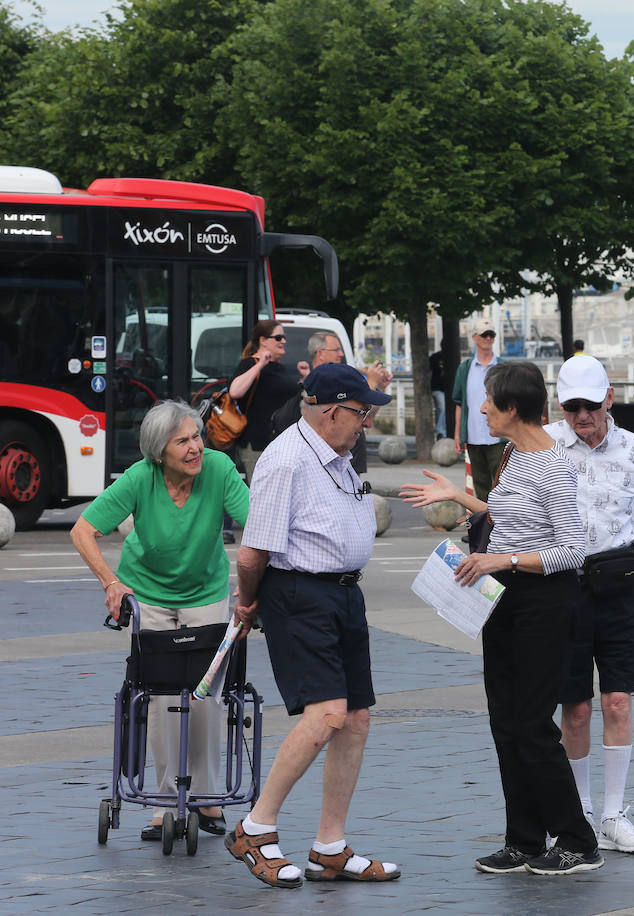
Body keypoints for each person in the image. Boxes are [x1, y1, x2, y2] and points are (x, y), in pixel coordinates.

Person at [400, 361, 602, 876]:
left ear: (513, 408)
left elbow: (573, 550)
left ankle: (578, 839)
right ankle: (525, 839)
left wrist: (501, 560)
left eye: (489, 401)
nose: (482, 408)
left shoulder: (553, 465)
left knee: (532, 725)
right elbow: (506, 516)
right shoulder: (511, 453)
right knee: (504, 722)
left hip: (544, 602)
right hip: (504, 599)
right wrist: (457, 496)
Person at [225, 363, 400, 889]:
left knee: (357, 717)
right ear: (330, 410)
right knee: (326, 714)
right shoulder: (286, 460)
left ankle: (330, 845)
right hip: (299, 592)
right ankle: (256, 827)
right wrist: (249, 602)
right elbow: (253, 552)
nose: (366, 421)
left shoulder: (339, 457)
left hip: (344, 592)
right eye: (360, 411)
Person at [70, 400, 248, 842]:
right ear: (158, 452)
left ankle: (204, 797)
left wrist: (252, 584)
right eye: (183, 441)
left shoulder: (220, 469)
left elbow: (257, 527)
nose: (195, 448)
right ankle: (168, 799)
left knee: (205, 696)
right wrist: (111, 583)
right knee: (162, 697)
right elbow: (82, 530)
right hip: (147, 594)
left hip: (206, 593)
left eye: (197, 437)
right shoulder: (139, 478)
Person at [545, 355, 634, 856]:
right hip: (564, 584)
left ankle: (613, 814)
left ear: (609, 400)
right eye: (572, 406)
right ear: (562, 406)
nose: (582, 416)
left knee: (618, 701)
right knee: (574, 707)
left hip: (620, 582)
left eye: (590, 405)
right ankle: (576, 815)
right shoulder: (547, 447)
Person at [272, 331, 391, 473]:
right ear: (320, 353)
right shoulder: (313, 394)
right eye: (336, 350)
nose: (341, 354)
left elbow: (368, 416)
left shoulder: (341, 380)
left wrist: (378, 387)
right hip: (329, 465)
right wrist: (371, 383)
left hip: (346, 462)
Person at [229, 320, 300, 482]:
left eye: (284, 337)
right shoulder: (250, 363)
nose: (284, 341)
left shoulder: (279, 368)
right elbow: (234, 391)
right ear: (263, 341)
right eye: (278, 337)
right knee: (261, 494)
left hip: (281, 443)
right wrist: (260, 364)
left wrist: (304, 378)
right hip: (257, 445)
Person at [452, 319, 503, 500]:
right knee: (480, 485)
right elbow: (459, 403)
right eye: (484, 335)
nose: (488, 338)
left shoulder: (502, 367)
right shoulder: (464, 368)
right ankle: (485, 525)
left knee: (502, 482)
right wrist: (458, 435)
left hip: (499, 437)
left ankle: (503, 522)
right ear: (474, 337)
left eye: (491, 335)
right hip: (473, 437)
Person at [430, 350, 447, 440]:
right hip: (437, 388)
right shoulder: (435, 357)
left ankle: (440, 432)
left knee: (439, 411)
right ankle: (440, 430)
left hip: (446, 389)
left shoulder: (452, 356)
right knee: (443, 408)